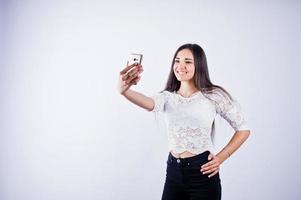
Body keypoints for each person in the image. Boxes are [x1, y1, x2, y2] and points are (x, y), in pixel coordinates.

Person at [117, 43, 251, 200]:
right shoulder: (167, 97)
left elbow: (243, 129)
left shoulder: (213, 95)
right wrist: (124, 90)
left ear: (199, 65)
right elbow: (148, 102)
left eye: (188, 62)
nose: (181, 66)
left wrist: (221, 157)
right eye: (177, 61)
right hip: (173, 173)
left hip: (202, 172)